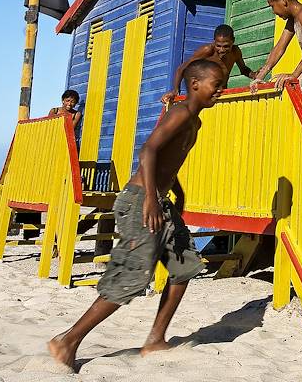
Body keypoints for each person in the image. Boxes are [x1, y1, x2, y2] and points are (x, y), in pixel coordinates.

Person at [48, 59, 226, 370]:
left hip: (161, 200)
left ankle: (156, 339)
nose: (221, 89)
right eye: (216, 84)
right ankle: (68, 341)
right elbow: (148, 151)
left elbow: (168, 161)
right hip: (141, 201)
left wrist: (177, 194)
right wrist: (152, 202)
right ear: (195, 84)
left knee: (185, 267)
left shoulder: (195, 123)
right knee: (131, 278)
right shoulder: (180, 113)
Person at [163, 25, 254, 103]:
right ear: (214, 41)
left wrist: (254, 75)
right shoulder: (207, 51)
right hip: (203, 98)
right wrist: (175, 90)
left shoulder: (235, 52)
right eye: (218, 46)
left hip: (222, 96)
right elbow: (181, 69)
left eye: (226, 46)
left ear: (233, 41)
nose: (221, 50)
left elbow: (243, 69)